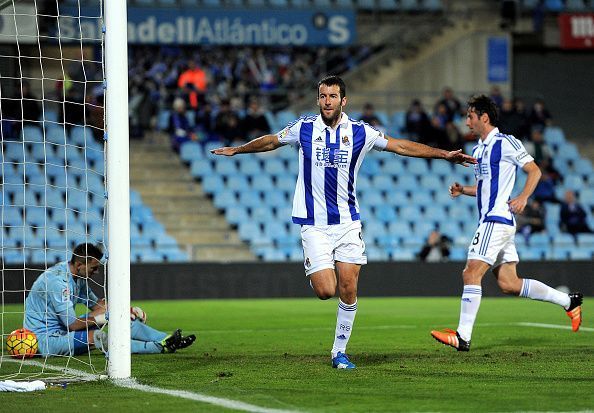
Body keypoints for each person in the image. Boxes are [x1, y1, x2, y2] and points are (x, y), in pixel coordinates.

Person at [212, 76, 476, 369]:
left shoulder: (361, 132)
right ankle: (319, 274)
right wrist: (238, 149)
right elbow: (272, 140)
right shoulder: (304, 128)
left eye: (333, 96)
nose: (327, 101)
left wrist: (444, 155)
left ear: (343, 101)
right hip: (314, 223)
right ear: (318, 100)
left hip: (348, 222)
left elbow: (400, 146)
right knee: (327, 290)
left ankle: (339, 352)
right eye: (323, 96)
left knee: (348, 288)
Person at [430, 95, 583, 352]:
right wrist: (464, 190)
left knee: (471, 273)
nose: (466, 121)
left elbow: (534, 171)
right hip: (496, 221)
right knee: (509, 284)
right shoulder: (478, 150)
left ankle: (463, 336)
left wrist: (523, 196)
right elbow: (485, 187)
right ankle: (569, 301)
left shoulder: (506, 143)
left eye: (470, 116)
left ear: (484, 117)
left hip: (496, 219)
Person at [24, 243, 196, 357]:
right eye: (94, 268)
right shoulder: (57, 282)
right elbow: (72, 324)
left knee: (120, 318)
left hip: (65, 330)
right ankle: (158, 348)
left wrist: (125, 310)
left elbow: (97, 305)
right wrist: (105, 316)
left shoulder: (78, 278)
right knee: (99, 337)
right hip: (45, 340)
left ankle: (167, 339)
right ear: (79, 265)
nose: (96, 272)